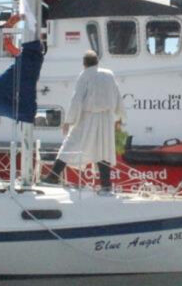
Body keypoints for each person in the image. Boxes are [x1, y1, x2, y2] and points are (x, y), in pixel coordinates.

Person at [42, 50, 125, 193]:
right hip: (106, 118)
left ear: (84, 64)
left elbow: (77, 100)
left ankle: (53, 176)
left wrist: (68, 121)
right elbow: (118, 97)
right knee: (103, 150)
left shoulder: (85, 75)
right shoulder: (109, 74)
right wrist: (119, 118)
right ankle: (106, 184)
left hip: (88, 116)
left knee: (70, 144)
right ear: (97, 62)